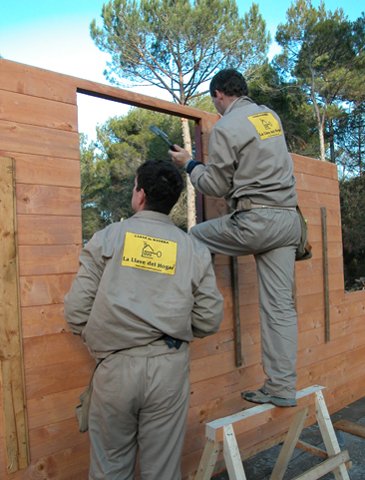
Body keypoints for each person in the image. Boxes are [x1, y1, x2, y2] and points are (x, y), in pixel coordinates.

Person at [64, 160, 223, 480]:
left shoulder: (108, 238)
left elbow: (75, 312)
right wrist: (170, 328)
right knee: (162, 472)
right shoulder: (193, 248)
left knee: (110, 469)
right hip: (169, 369)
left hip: (115, 368)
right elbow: (209, 319)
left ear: (140, 195)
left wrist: (107, 336)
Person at [169, 68, 301, 408]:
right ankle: (282, 387)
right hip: (288, 221)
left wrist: (189, 164)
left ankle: (187, 307)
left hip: (258, 219)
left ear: (219, 95)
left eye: (214, 102)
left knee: (196, 236)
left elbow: (216, 186)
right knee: (280, 308)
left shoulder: (226, 125)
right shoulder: (269, 117)